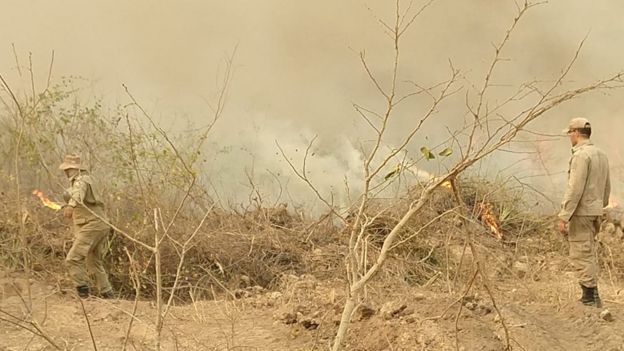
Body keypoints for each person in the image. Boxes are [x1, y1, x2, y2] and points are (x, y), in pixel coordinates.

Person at [558, 118, 610, 308]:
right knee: (589, 251)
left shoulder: (581, 156)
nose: (569, 137)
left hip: (582, 212)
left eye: (570, 133)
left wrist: (564, 215)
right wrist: (599, 206)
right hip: (595, 210)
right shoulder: (601, 154)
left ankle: (589, 297)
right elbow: (606, 187)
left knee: (581, 252)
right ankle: (593, 295)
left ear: (576, 133)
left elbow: (575, 188)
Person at [59, 154, 114, 299]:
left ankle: (83, 294)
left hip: (93, 225)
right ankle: (108, 294)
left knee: (73, 258)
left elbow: (78, 194)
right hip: (99, 224)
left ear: (74, 169)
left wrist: (71, 206)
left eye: (68, 169)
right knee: (94, 262)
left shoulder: (81, 180)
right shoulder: (84, 180)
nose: (66, 172)